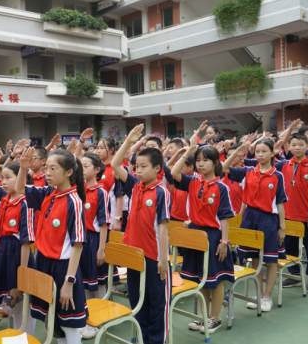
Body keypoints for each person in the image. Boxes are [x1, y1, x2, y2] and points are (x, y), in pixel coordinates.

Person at [16, 147, 86, 344]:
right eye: (46, 168)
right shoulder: (49, 192)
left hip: (64, 268)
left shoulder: (74, 201)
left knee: (68, 324)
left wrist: (69, 282)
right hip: (44, 263)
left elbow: (78, 244)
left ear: (69, 172)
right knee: (51, 321)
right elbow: (21, 188)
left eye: (53, 169)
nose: (47, 173)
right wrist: (23, 168)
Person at [112, 124, 171, 344]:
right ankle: (144, 337)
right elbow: (116, 164)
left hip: (155, 257)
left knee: (157, 303)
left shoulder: (161, 192)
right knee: (138, 300)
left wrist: (163, 259)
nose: (138, 170)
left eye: (143, 166)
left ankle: (156, 340)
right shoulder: (135, 186)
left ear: (157, 168)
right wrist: (128, 142)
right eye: (136, 166)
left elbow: (164, 228)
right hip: (134, 255)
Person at [171, 143, 235, 333]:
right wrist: (186, 153)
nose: (200, 164)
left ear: (216, 163)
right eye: (198, 160)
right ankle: (204, 317)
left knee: (216, 281)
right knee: (201, 279)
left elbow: (224, 219)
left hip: (213, 237)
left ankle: (215, 318)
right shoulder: (192, 182)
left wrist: (224, 242)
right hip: (195, 236)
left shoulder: (221, 188)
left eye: (205, 160)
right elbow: (173, 172)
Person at [223, 138, 287, 312]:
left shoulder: (278, 175)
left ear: (272, 152)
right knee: (255, 258)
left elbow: (280, 203)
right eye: (257, 151)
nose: (260, 154)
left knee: (270, 260)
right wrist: (235, 154)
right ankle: (258, 294)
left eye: (264, 151)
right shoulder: (248, 171)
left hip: (269, 220)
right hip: (249, 217)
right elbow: (222, 169)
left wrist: (282, 228)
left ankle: (267, 297)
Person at [0, 155, 36, 334]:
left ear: (21, 178)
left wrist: (23, 270)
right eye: (1, 177)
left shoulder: (25, 203)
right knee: (11, 300)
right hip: (1, 252)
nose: (3, 182)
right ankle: (16, 333)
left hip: (17, 256)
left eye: (8, 177)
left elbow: (26, 241)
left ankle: (26, 336)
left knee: (22, 299)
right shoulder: (4, 198)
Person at [277, 132, 308, 294]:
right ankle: (294, 275)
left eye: (301, 145)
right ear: (289, 147)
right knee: (289, 248)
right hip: (287, 216)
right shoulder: (282, 165)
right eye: (294, 145)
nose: (297, 148)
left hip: (307, 215)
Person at [77, 152, 110, 340]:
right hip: (81, 240)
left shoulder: (100, 192)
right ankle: (89, 318)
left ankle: (100, 321)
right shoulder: (78, 189)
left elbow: (104, 223)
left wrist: (101, 249)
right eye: (80, 165)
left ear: (97, 170)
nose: (82, 169)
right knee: (85, 283)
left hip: (94, 241)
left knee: (97, 283)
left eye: (86, 166)